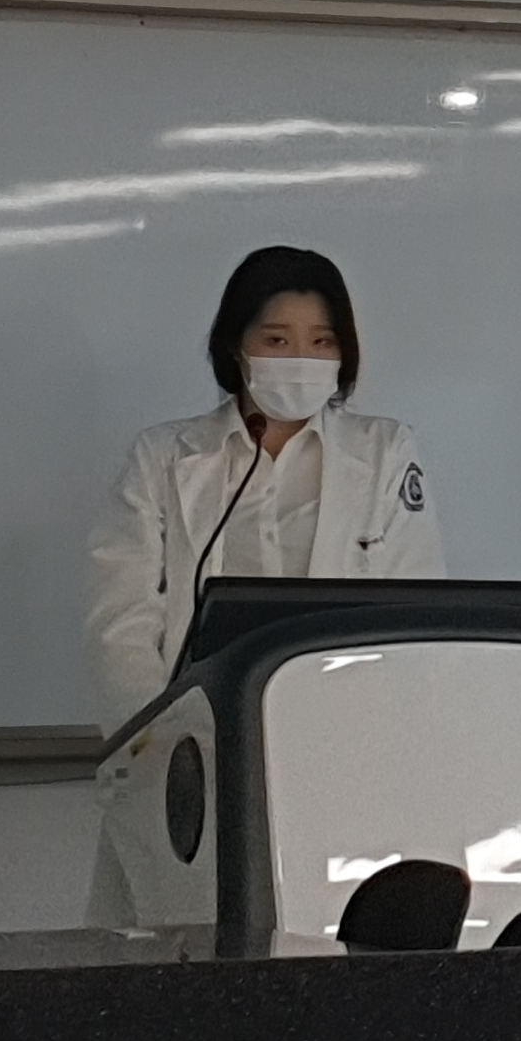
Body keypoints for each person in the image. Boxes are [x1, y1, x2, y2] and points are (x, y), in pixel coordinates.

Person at [85, 244, 442, 719]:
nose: (301, 359)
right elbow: (121, 622)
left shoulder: (385, 452)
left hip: (348, 723)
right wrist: (164, 734)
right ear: (236, 346)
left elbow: (417, 613)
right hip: (201, 728)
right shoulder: (161, 457)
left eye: (322, 342)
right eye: (277, 341)